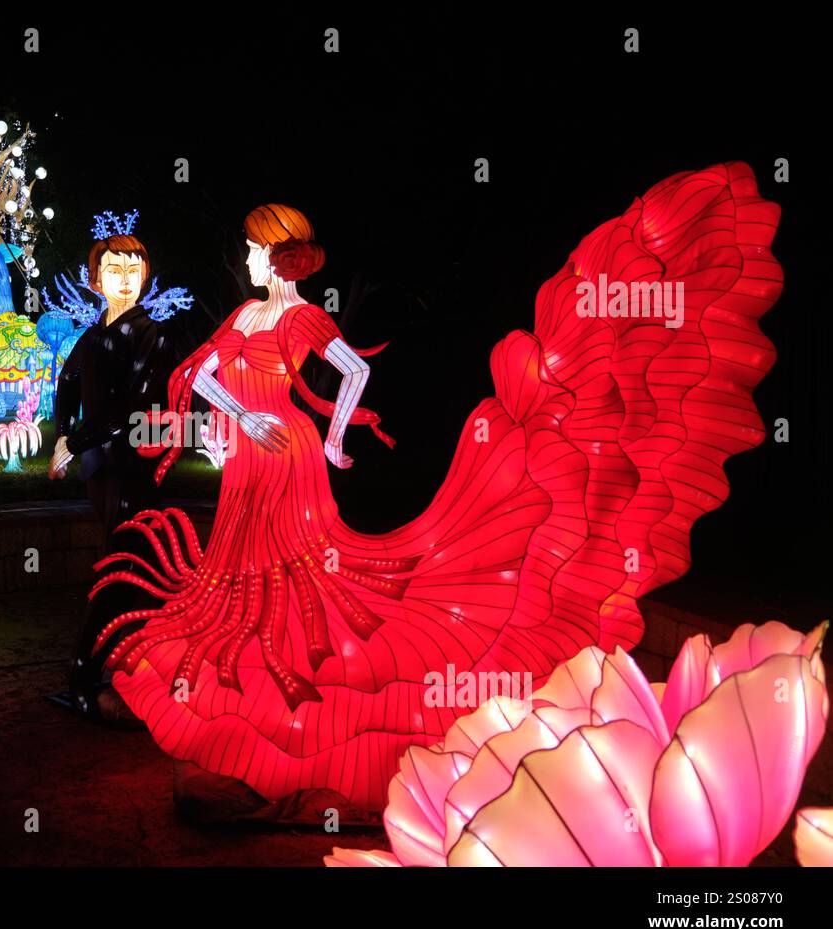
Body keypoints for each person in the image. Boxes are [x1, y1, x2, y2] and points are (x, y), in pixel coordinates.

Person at [86, 176, 784, 813]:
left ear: (278, 257)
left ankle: (289, 724)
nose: (244, 260)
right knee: (235, 579)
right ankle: (245, 734)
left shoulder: (301, 321)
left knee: (289, 584)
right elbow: (200, 372)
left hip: (287, 463)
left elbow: (353, 373)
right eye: (244, 249)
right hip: (249, 458)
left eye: (251, 250)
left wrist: (328, 439)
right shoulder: (243, 319)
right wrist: (235, 421)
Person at [48, 229, 175, 720]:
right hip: (100, 470)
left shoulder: (153, 333)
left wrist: (73, 442)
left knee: (121, 567)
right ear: (96, 278)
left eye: (132, 271)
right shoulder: (93, 334)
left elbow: (132, 409)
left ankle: (87, 669)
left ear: (145, 276)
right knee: (120, 564)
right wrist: (63, 434)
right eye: (112, 271)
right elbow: (67, 385)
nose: (123, 280)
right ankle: (119, 670)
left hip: (134, 468)